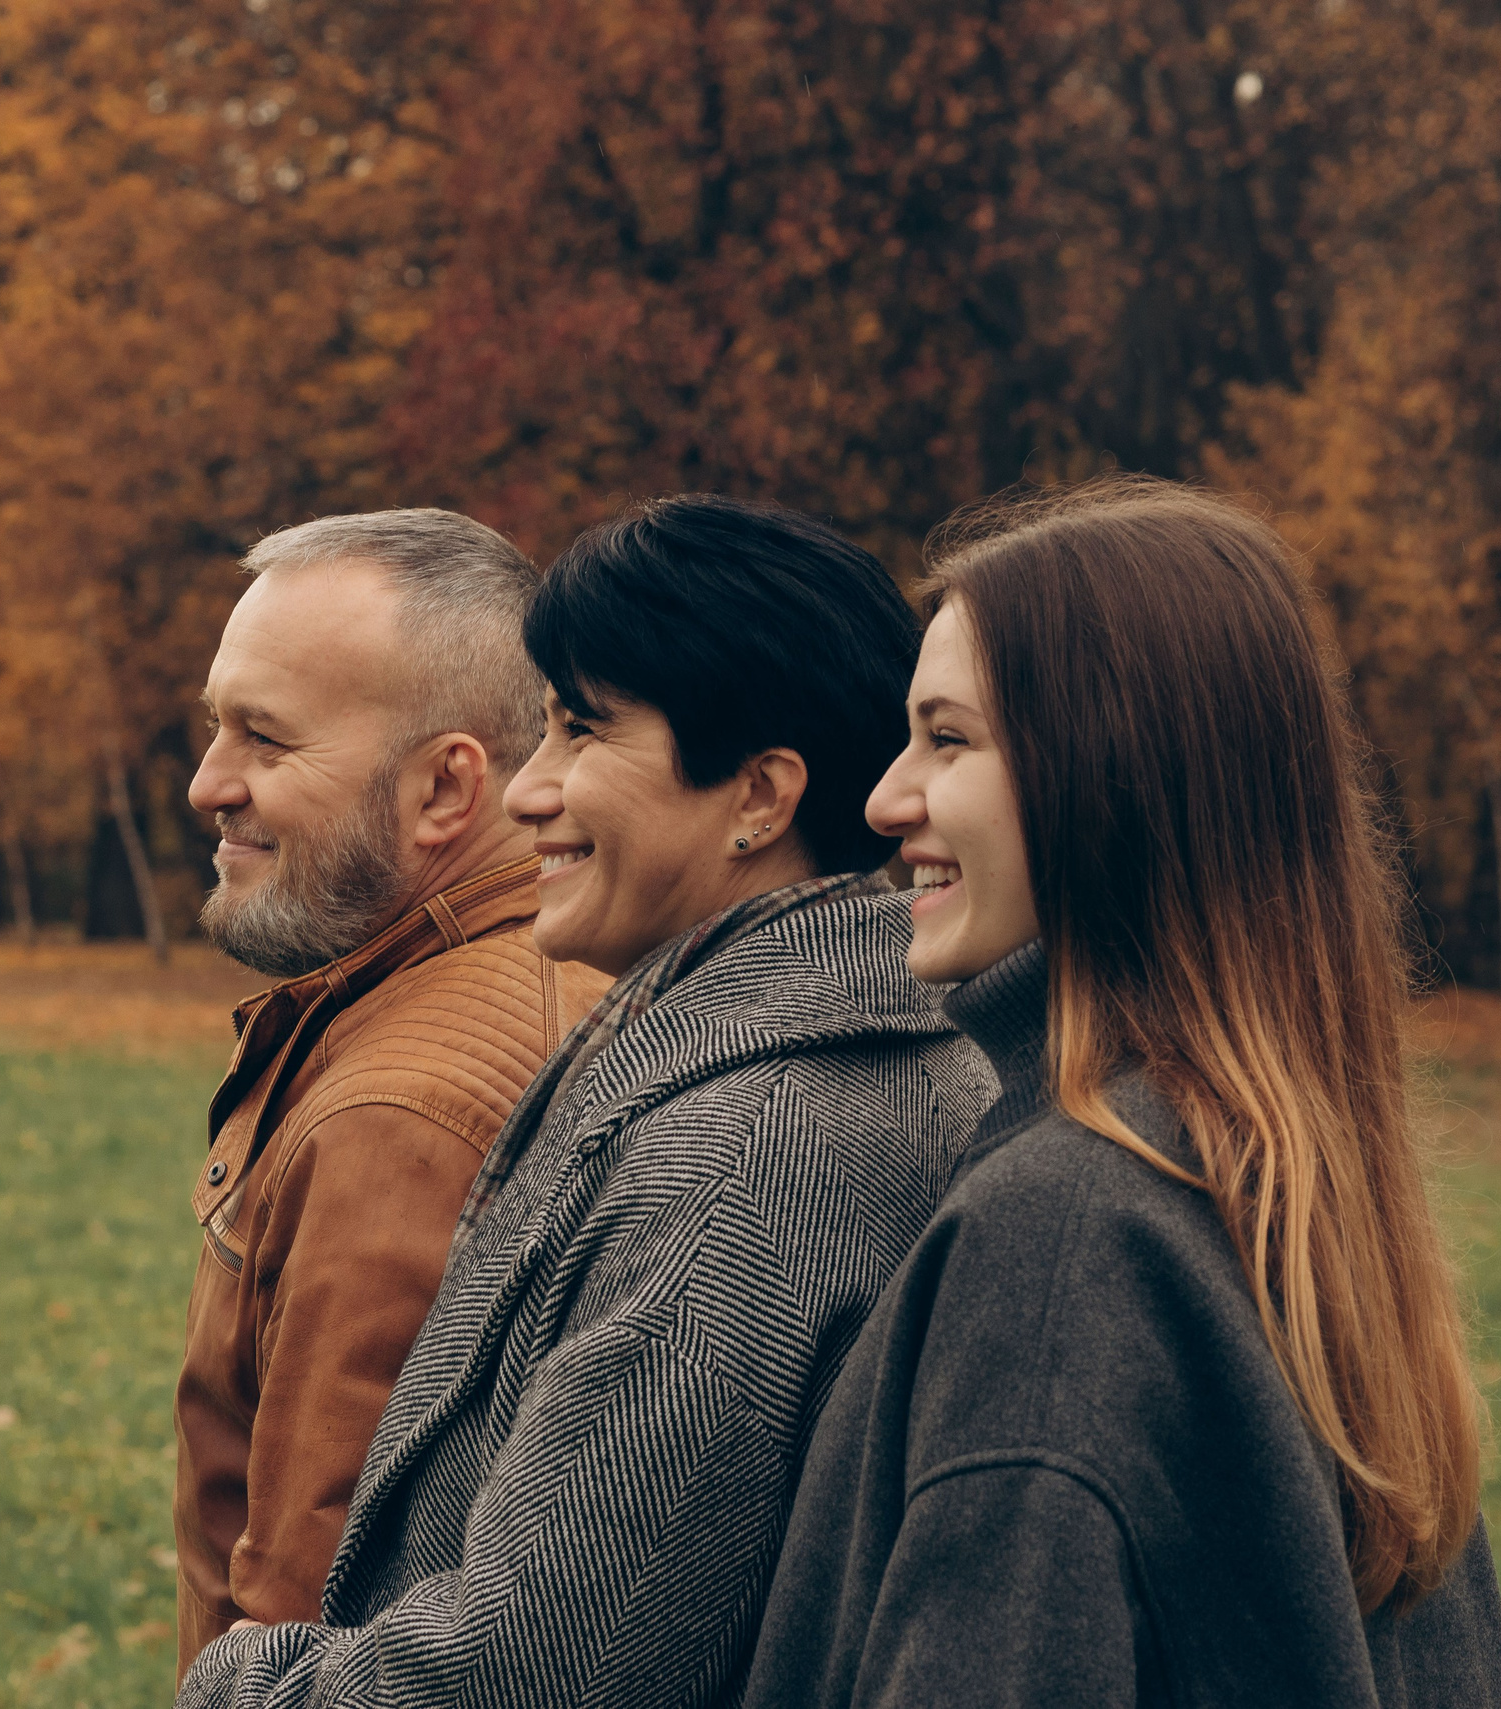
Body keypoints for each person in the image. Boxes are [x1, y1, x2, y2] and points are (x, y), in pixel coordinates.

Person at [179, 494, 995, 1709]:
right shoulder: (737, 1057)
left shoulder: (752, 1151)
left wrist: (233, 1685)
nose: (528, 789)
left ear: (761, 797)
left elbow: (538, 1670)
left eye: (580, 732)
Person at [743, 479, 1501, 1708]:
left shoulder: (1060, 1232)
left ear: (1107, 772)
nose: (887, 800)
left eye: (947, 739)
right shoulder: (1283, 1180)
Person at [174, 509, 607, 1675]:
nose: (210, 782)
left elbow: (315, 1624)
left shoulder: (398, 1118)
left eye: (265, 738)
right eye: (214, 726)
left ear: (441, 788)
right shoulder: (574, 960)